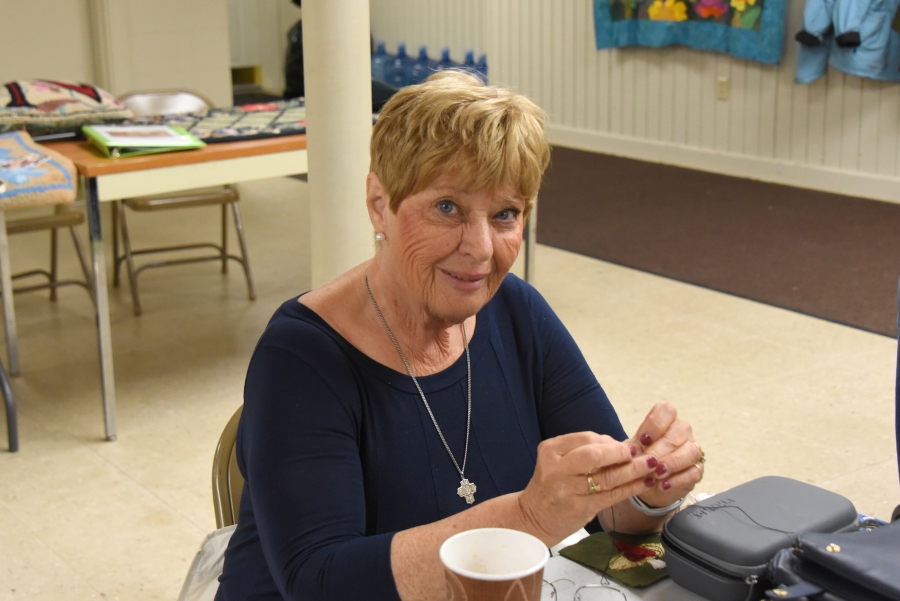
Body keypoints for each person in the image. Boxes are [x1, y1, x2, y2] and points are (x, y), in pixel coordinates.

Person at [216, 70, 705, 601]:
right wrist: (528, 517)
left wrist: (648, 492)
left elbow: (607, 515)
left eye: (505, 215)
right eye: (447, 207)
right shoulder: (301, 357)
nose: (481, 248)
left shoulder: (518, 312)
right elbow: (319, 583)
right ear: (380, 204)